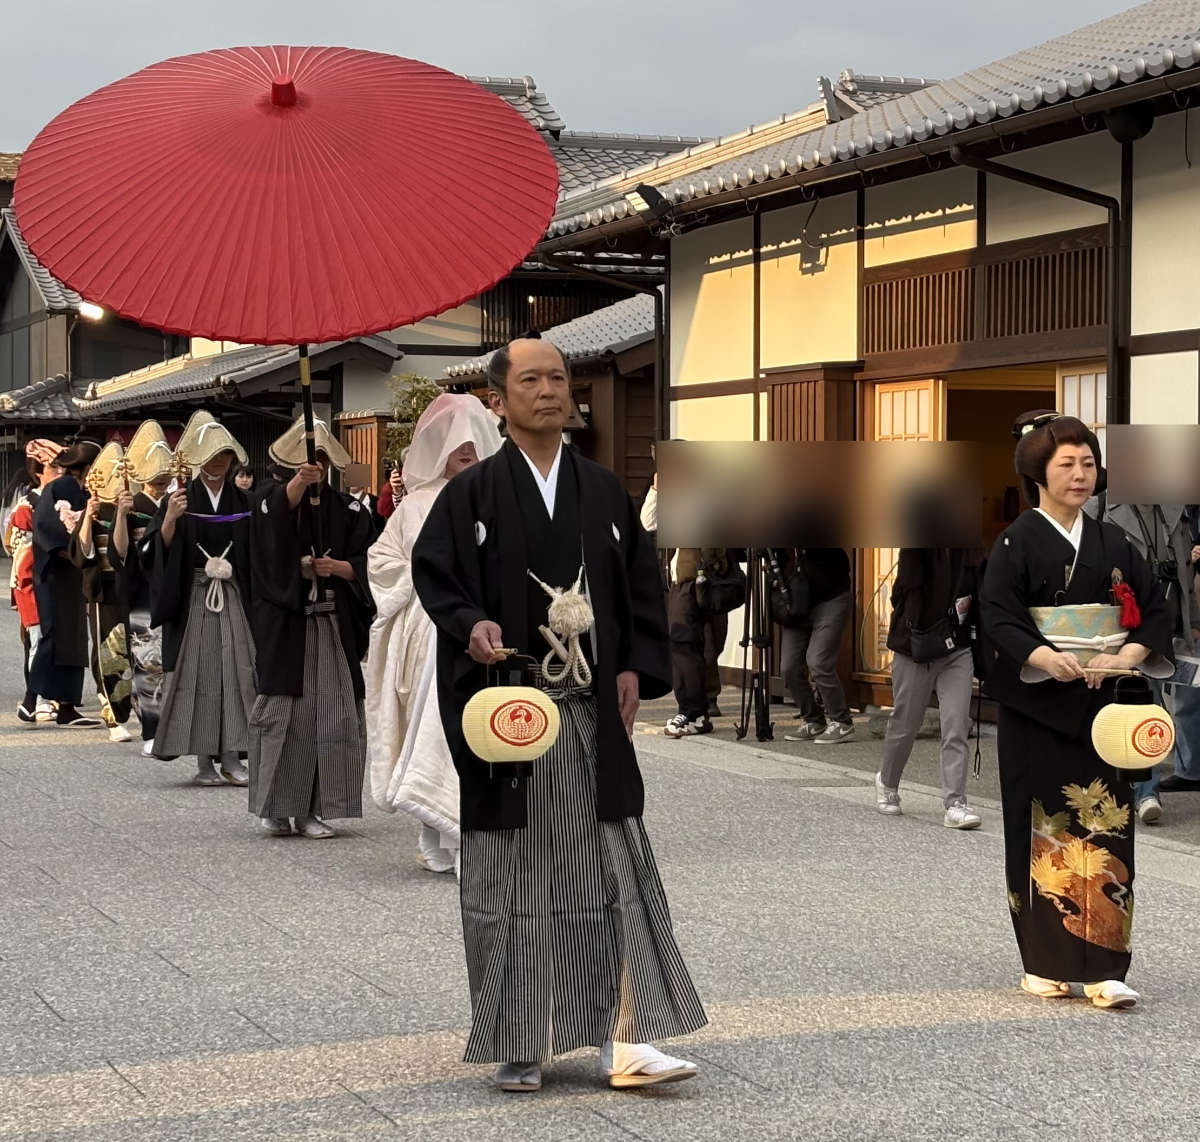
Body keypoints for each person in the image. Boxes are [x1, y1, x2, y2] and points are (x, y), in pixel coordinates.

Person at [412, 336, 706, 1093]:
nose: (549, 390)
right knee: (511, 876)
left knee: (613, 868)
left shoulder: (603, 490)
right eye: (531, 380)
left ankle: (623, 1039)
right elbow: (436, 575)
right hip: (510, 711)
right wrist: (470, 624)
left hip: (588, 711)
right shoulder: (472, 495)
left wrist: (634, 664)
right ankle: (520, 1039)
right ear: (498, 400)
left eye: (558, 378)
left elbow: (639, 587)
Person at [980, 412, 1174, 1010]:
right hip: (1039, 707)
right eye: (1066, 464)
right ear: (1037, 473)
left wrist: (1129, 653)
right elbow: (997, 615)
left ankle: (1106, 969)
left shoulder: (1114, 543)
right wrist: (1044, 655)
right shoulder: (1015, 542)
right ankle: (1044, 963)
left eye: (1088, 463)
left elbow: (1155, 607)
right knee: (1043, 829)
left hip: (1105, 707)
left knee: (1108, 827)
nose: (1080, 474)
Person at [365, 394, 502, 874]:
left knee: (471, 728)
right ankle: (437, 839)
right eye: (456, 445)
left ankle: (466, 840)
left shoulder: (496, 499)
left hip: (481, 626)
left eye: (473, 445)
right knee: (435, 729)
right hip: (428, 630)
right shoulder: (417, 503)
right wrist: (419, 576)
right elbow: (381, 560)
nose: (466, 453)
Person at [247, 416, 376, 839]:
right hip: (289, 628)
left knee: (333, 718)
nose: (315, 463)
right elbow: (266, 543)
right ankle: (275, 807)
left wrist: (341, 568)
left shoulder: (350, 509)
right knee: (285, 717)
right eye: (307, 458)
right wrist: (298, 487)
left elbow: (373, 560)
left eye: (321, 457)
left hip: (333, 625)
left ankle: (315, 809)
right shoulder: (269, 501)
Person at [147, 411, 256, 786]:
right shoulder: (179, 499)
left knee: (237, 672)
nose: (219, 461)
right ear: (198, 458)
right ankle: (204, 760)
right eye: (212, 454)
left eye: (225, 454)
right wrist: (170, 519)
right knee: (198, 674)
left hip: (232, 594)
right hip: (194, 594)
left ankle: (233, 755)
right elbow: (155, 550)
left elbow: (257, 551)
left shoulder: (243, 500)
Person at [1086, 501, 1198, 824]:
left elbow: (1185, 573)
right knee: (1142, 705)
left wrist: (1193, 620)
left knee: (1163, 706)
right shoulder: (1100, 507)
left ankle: (1145, 786)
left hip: (1168, 622)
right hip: (1123, 624)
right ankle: (1145, 792)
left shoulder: (1174, 512)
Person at [875, 547, 983, 829]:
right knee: (906, 723)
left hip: (957, 647)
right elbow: (902, 594)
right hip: (916, 645)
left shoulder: (971, 551)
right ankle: (887, 782)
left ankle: (955, 802)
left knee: (957, 724)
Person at [29, 439, 106, 728]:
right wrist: (71, 549)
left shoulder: (85, 491)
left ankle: (67, 706)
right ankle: (31, 699)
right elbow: (45, 527)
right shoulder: (59, 487)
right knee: (54, 635)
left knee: (74, 638)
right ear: (87, 465)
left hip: (75, 571)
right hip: (56, 571)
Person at [71, 444, 138, 743]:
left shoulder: (134, 508)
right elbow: (83, 552)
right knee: (109, 651)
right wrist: (88, 516)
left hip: (134, 586)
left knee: (139, 650)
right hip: (105, 589)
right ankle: (113, 714)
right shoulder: (95, 511)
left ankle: (144, 711)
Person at [119, 420, 174, 755]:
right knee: (147, 661)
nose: (160, 478)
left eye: (164, 471)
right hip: (142, 589)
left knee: (172, 661)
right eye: (153, 472)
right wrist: (121, 516)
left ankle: (175, 727)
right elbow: (121, 552)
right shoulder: (133, 504)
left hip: (171, 589)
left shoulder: (175, 503)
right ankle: (151, 728)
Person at [8, 439, 63, 723]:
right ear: (38, 471)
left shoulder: (64, 499)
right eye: (54, 467)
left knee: (55, 639)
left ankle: (51, 696)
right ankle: (38, 699)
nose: (60, 471)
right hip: (32, 578)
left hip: (59, 579)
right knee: (39, 639)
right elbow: (15, 546)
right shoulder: (27, 504)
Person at [779, 548, 855, 744]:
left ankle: (842, 721)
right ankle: (813, 720)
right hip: (796, 602)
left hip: (831, 597)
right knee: (789, 667)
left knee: (818, 662)